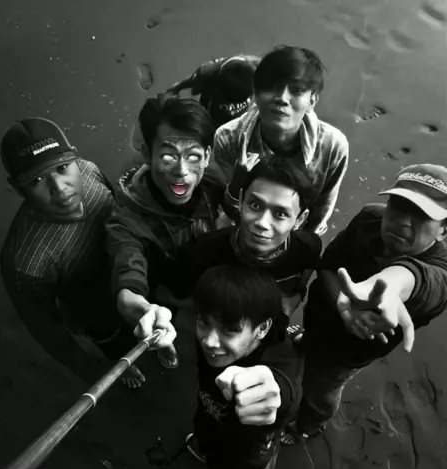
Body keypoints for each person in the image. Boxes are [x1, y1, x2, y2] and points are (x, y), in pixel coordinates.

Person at [283, 163, 447, 444]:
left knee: (321, 389)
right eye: (399, 206)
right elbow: (327, 266)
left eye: (421, 215)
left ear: (443, 231)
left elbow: (414, 278)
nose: (403, 222)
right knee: (309, 342)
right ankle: (305, 341)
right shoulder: (369, 218)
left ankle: (308, 426)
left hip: (348, 352)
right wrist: (343, 302)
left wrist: (391, 284)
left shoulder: (440, 274)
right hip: (319, 316)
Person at [106, 96, 229, 387]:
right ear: (148, 153)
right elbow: (128, 273)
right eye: (168, 156)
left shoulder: (214, 180)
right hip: (169, 288)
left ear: (207, 156)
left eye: (193, 156)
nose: (182, 170)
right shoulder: (126, 217)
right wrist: (143, 309)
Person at [0, 117, 130, 383]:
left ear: (75, 158)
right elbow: (48, 331)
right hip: (97, 313)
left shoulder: (90, 172)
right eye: (37, 179)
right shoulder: (24, 263)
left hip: (131, 274)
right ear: (18, 188)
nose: (59, 188)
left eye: (62, 168)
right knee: (118, 344)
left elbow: (125, 220)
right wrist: (93, 370)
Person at [210, 45, 349, 235]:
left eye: (297, 90)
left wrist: (302, 245)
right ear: (255, 94)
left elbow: (320, 213)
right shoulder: (228, 138)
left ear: (312, 100)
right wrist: (237, 183)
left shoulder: (332, 146)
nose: (282, 98)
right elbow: (223, 209)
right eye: (271, 87)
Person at [186, 265, 302, 469]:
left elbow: (283, 392)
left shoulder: (280, 360)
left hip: (245, 460)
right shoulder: (212, 343)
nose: (209, 341)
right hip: (209, 419)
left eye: (230, 330)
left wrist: (277, 395)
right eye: (203, 321)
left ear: (262, 328)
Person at [170, 154, 322, 317]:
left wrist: (298, 295)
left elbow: (308, 267)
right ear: (241, 201)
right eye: (255, 205)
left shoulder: (307, 247)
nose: (262, 223)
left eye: (280, 214)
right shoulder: (202, 252)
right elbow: (172, 295)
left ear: (300, 219)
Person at [166, 55, 260, 128]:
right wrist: (175, 89)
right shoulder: (207, 72)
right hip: (211, 117)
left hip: (239, 121)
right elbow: (187, 83)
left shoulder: (258, 70)